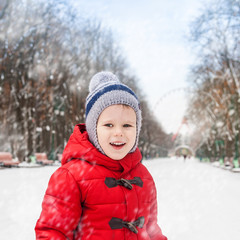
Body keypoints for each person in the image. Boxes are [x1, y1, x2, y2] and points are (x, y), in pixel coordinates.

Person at [35, 72, 167, 240]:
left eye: (127, 125)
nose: (118, 132)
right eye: (109, 125)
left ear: (137, 129)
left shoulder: (144, 176)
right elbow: (52, 232)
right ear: (93, 129)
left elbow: (151, 228)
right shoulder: (71, 177)